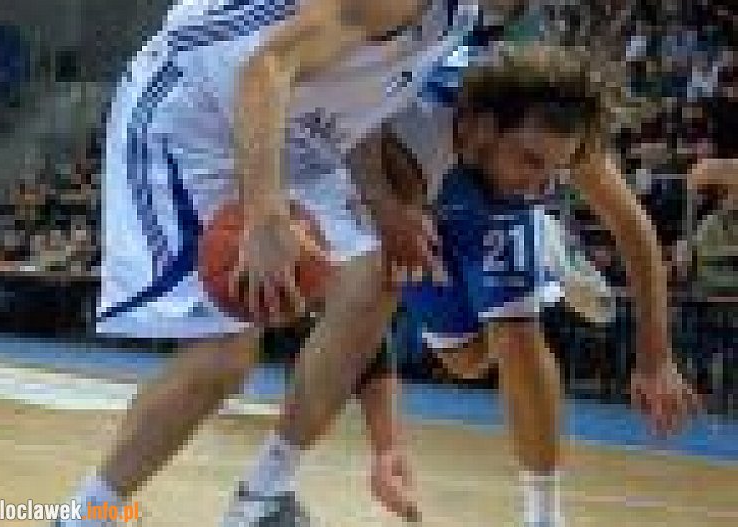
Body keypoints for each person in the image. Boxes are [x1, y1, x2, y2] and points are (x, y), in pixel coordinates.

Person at [52, 0, 516, 525]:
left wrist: (385, 207)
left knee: (375, 272)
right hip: (196, 103)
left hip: (292, 128)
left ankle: (263, 496)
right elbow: (266, 66)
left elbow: (359, 112)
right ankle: (86, 516)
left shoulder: (458, 19)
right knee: (223, 354)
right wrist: (265, 216)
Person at [239, 46, 701, 527]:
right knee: (465, 362)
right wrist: (390, 211)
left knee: (516, 336)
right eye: (531, 161)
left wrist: (655, 359)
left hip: (489, 206)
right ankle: (545, 253)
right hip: (411, 199)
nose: (543, 185)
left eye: (554, 171)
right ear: (480, 128)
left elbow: (634, 231)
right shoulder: (411, 115)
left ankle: (544, 515)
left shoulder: (554, 132)